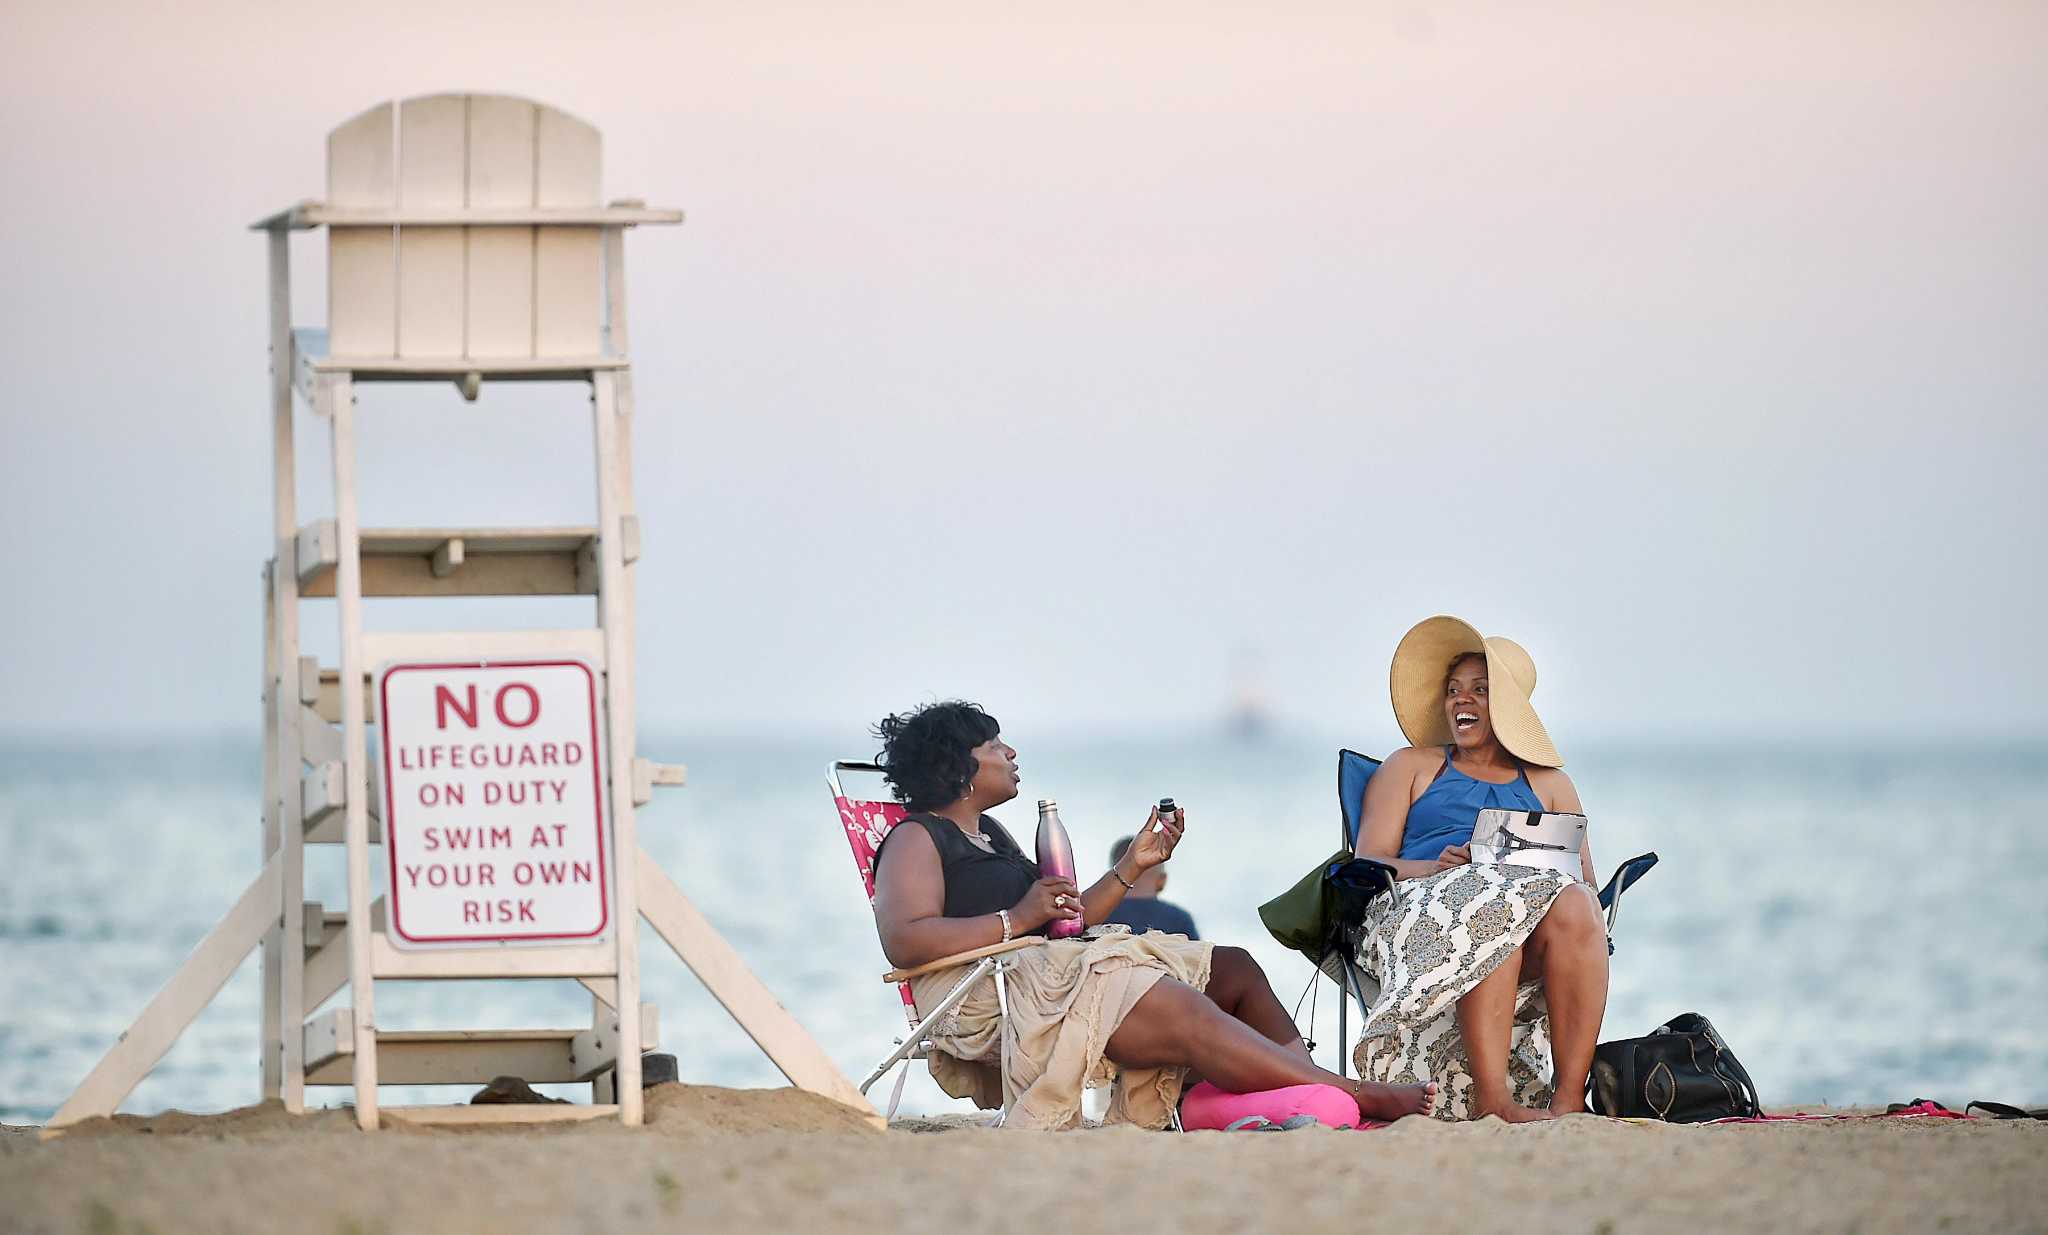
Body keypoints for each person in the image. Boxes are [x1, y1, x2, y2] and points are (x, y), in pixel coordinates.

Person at [870, 700, 1435, 1129]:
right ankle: (1353, 1096)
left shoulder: (989, 833)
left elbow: (1066, 920)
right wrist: (1016, 919)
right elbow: (905, 940)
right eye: (995, 745)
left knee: (1233, 969)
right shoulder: (916, 839)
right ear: (959, 766)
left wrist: (1134, 865)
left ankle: (1289, 1098)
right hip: (993, 997)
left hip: (1049, 968)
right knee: (1174, 1001)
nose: (1010, 753)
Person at [1350, 616, 1608, 1122]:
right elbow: (1369, 861)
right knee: (1492, 905)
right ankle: (1495, 1100)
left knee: (1576, 903)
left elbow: (1586, 881)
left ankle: (1568, 1099)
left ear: (1509, 709)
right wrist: (1435, 865)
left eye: (1480, 690)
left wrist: (1519, 871)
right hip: (1425, 906)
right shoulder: (1411, 766)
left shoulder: (1552, 784)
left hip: (1528, 913)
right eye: (1454, 690)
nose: (1460, 700)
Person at [1101, 836, 1199, 939]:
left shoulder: (1097, 916)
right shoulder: (1179, 919)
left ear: (1111, 879)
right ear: (1162, 880)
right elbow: (1199, 953)